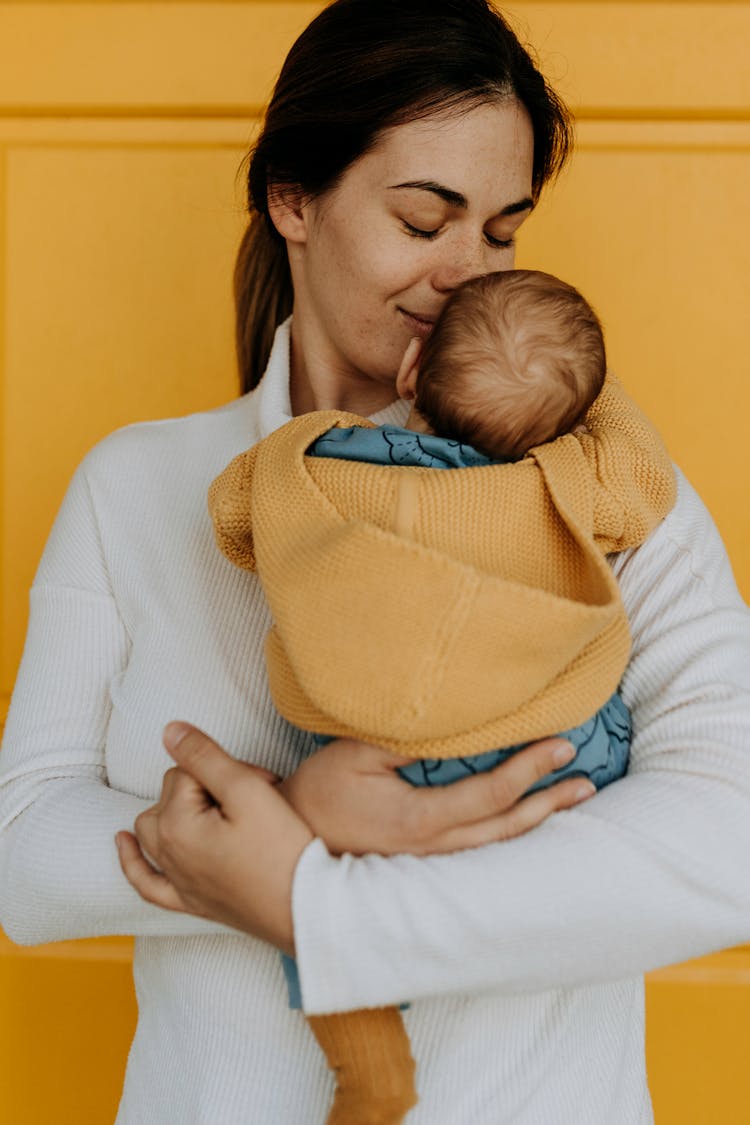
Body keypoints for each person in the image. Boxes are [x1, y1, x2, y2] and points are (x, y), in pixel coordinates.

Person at [0, 2, 748, 1123]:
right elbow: (23, 855)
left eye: (500, 232)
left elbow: (729, 838)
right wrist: (296, 809)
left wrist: (305, 893)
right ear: (292, 199)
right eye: (422, 218)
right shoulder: (142, 487)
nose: (465, 272)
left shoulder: (596, 484)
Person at [207, 265, 676, 1123]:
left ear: (413, 373)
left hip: (379, 761)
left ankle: (369, 1069)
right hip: (549, 750)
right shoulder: (564, 487)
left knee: (314, 888)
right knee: (590, 754)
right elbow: (646, 480)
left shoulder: (326, 462)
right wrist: (580, 397)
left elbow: (237, 520)